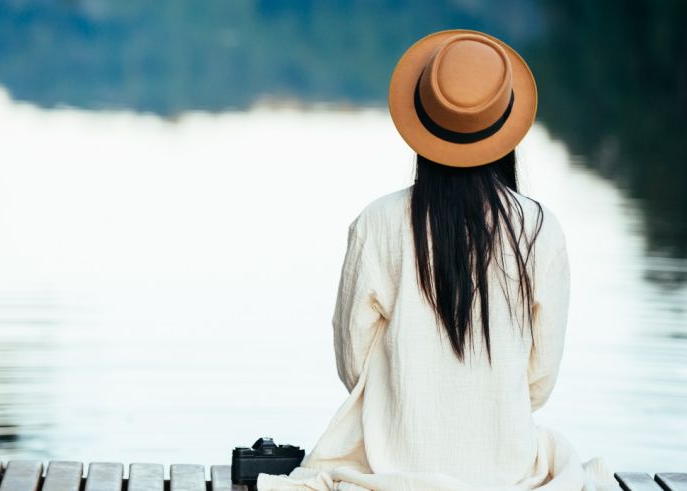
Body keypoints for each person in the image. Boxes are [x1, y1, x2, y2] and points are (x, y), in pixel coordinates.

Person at [257, 29, 618, 491]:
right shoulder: (540, 230)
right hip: (506, 466)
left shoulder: (379, 222)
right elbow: (539, 380)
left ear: (422, 123)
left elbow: (353, 361)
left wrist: (404, 402)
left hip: (393, 465)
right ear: (504, 127)